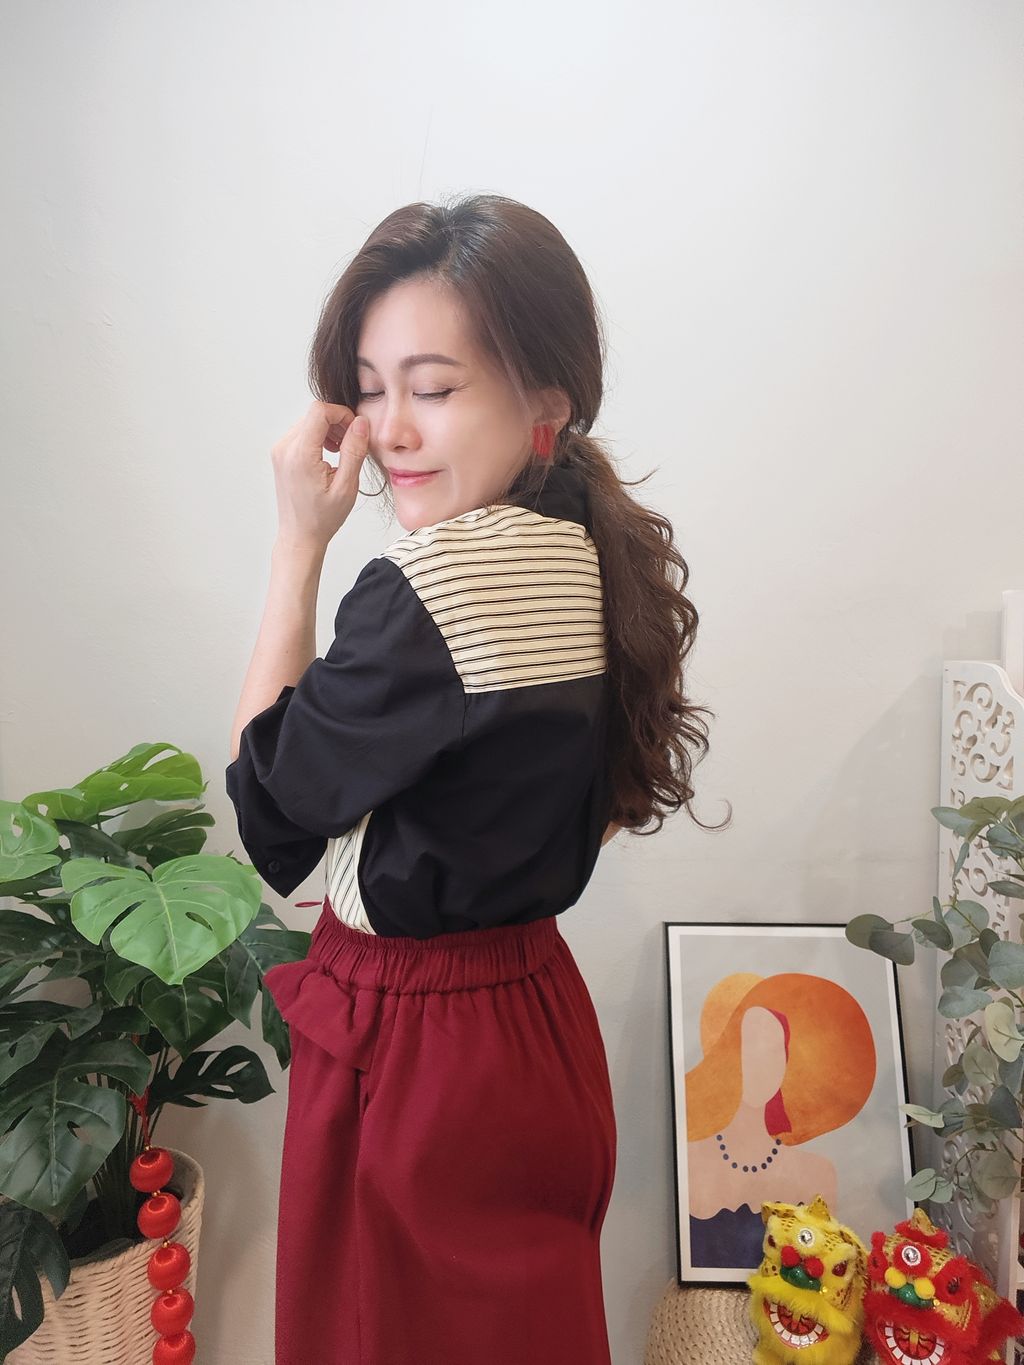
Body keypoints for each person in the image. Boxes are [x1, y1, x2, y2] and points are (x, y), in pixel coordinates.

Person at [225, 193, 727, 1365]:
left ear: (544, 400)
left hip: (416, 1050)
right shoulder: (588, 545)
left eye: (434, 388)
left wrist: (298, 543)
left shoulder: (426, 589)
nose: (391, 429)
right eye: (370, 388)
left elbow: (269, 810)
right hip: (533, 1021)